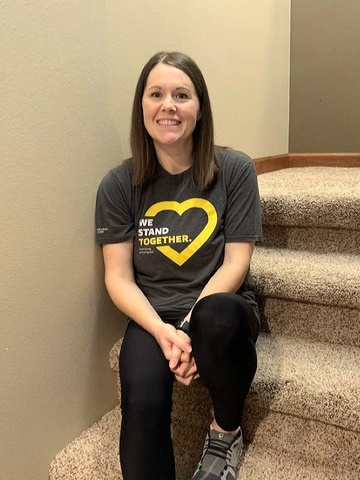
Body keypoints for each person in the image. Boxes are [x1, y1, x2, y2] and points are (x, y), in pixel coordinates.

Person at [95, 51, 262, 480]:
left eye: (181, 95)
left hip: (217, 306)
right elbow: (118, 276)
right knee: (142, 400)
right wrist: (162, 331)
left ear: (199, 108)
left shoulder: (236, 170)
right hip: (154, 317)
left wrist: (188, 328)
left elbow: (236, 261)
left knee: (218, 319)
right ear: (142, 108)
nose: (168, 105)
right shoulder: (118, 185)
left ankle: (225, 431)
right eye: (157, 94)